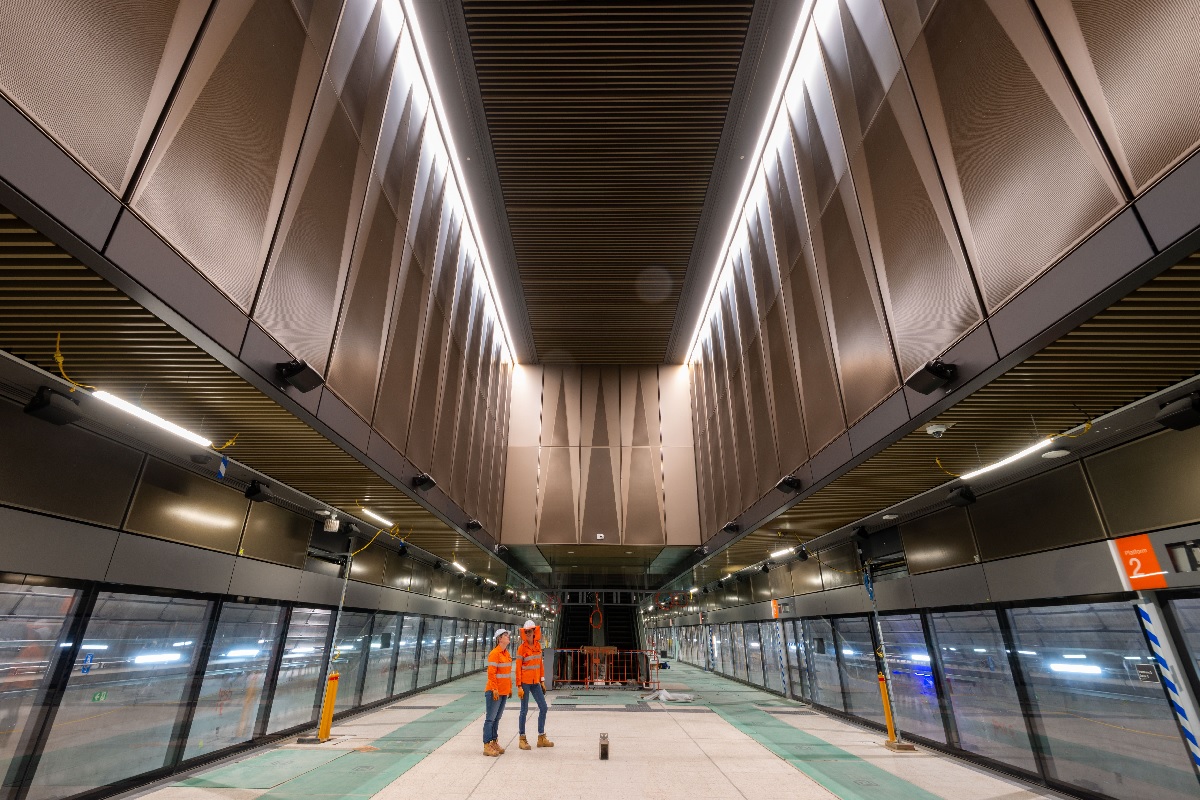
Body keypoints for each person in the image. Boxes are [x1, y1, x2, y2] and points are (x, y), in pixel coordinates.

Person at [516, 619, 554, 750]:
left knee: (543, 707)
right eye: (525, 632)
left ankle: (541, 737)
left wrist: (542, 681)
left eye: (530, 631)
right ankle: (522, 738)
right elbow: (518, 668)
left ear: (534, 632)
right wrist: (519, 686)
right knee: (524, 710)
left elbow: (540, 665)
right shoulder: (521, 648)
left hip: (535, 683)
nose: (527, 633)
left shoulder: (538, 647)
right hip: (525, 683)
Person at [483, 629, 513, 757]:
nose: (508, 637)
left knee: (497, 718)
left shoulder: (506, 654)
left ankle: (494, 742)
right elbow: (491, 673)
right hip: (494, 691)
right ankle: (487, 745)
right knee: (490, 719)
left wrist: (509, 688)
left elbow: (507, 674)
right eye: (506, 636)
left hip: (503, 691)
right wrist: (494, 689)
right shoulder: (495, 654)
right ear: (499, 639)